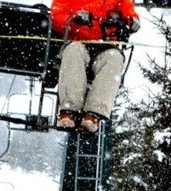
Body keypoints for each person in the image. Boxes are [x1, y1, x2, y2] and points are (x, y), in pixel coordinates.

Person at [50, 0, 139, 132]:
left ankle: (94, 114)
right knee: (73, 51)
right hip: (78, 41)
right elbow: (56, 17)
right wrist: (74, 19)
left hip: (106, 45)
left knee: (115, 57)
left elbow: (129, 14)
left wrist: (132, 22)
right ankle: (69, 110)